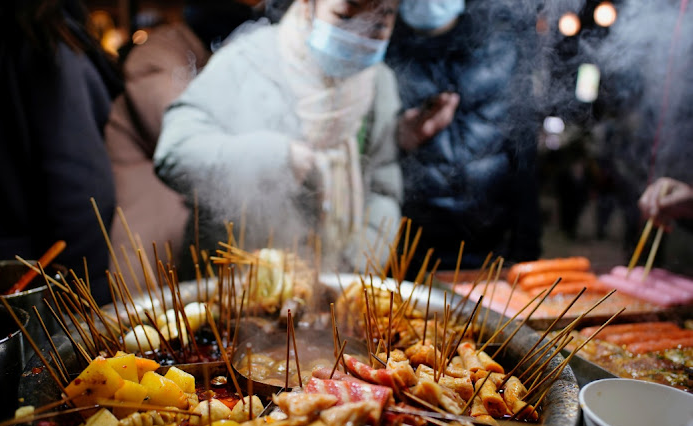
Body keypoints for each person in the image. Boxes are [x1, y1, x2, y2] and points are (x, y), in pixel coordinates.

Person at [153, 0, 404, 276]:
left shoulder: (379, 83)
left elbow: (383, 185)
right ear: (309, 5)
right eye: (345, 16)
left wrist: (357, 262)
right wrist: (277, 159)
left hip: (334, 292)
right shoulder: (246, 61)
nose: (360, 33)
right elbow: (174, 153)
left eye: (380, 22)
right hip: (234, 286)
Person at [0, 0, 122, 305]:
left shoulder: (39, 47)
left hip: (39, 300)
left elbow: (81, 197)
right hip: (0, 291)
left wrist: (80, 310)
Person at [106, 0, 260, 283]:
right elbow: (182, 133)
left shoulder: (212, 56)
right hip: (151, 253)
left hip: (188, 250)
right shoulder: (156, 57)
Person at [385, 0, 542, 272]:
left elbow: (523, 154)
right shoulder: (380, 47)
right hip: (402, 252)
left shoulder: (502, 48)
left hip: (486, 252)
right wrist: (395, 138)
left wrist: (525, 252)